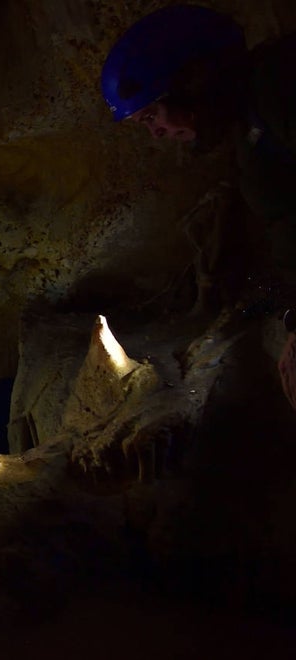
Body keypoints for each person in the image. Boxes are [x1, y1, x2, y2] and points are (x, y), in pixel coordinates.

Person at [101, 4, 296, 410]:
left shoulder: (279, 84)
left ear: (193, 80)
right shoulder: (248, 133)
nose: (157, 131)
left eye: (152, 114)